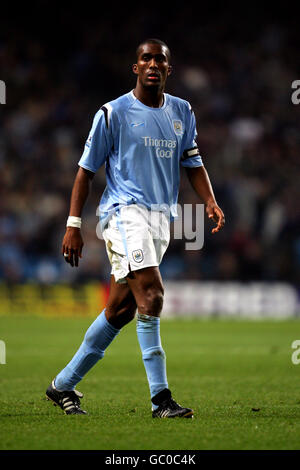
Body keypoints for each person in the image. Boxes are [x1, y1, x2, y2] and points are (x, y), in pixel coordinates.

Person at [46, 38, 225, 418]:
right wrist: (73, 224)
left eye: (160, 59)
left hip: (162, 218)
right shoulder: (112, 113)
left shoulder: (182, 111)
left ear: (168, 69)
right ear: (136, 68)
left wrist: (209, 200)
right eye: (146, 58)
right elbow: (85, 171)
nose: (153, 64)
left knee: (121, 310)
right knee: (153, 295)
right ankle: (161, 400)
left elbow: (193, 161)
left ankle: (62, 385)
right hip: (125, 214)